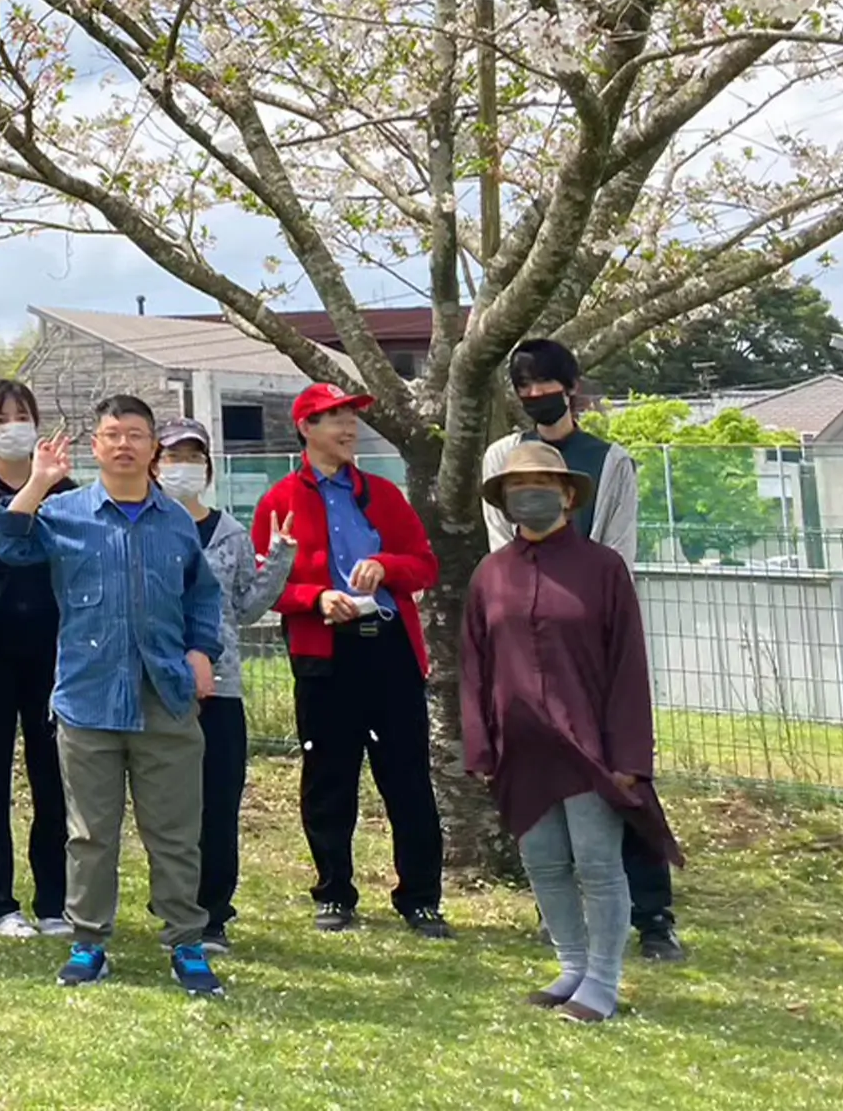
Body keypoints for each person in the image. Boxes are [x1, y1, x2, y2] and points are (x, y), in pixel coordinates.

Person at [0, 398, 228, 999]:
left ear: (153, 449)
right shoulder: (64, 512)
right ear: (94, 447)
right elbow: (4, 542)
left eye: (136, 436)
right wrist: (39, 482)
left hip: (165, 698)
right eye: (112, 435)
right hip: (88, 699)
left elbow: (203, 595)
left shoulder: (175, 520)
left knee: (174, 831)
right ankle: (89, 942)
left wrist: (202, 651)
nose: (124, 445)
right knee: (90, 834)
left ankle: (185, 942)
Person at [464, 441, 681, 1023]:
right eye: (515, 487)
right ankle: (572, 964)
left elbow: (629, 666)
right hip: (521, 749)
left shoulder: (603, 569)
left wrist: (630, 755)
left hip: (592, 747)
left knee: (597, 863)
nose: (526, 495)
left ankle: (604, 983)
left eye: (539, 485)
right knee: (544, 862)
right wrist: (482, 746)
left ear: (567, 496)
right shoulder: (490, 574)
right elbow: (475, 664)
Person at [486, 337, 682, 964]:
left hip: (592, 638)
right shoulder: (501, 456)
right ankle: (562, 915)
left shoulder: (609, 460)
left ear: (569, 386)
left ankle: (653, 916)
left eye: (544, 383)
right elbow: (502, 549)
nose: (534, 395)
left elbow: (617, 547)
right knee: (547, 778)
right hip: (528, 643)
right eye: (523, 386)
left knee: (620, 776)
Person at [252, 381, 451, 937]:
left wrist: (386, 565)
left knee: (408, 777)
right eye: (332, 417)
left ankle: (421, 898)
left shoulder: (384, 495)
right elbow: (265, 587)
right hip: (323, 652)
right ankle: (334, 893)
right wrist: (315, 598)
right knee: (329, 777)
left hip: (388, 650)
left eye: (350, 417)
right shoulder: (278, 502)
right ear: (305, 429)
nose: (347, 427)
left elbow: (425, 565)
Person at [156, 417, 294, 953]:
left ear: (208, 468)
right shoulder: (149, 527)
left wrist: (280, 556)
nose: (181, 467)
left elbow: (246, 606)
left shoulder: (231, 533)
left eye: (191, 457)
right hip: (162, 688)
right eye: (171, 457)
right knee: (168, 807)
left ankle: (213, 913)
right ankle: (172, 907)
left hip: (222, 688)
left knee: (218, 803)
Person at [0, 377, 74, 940]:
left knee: (56, 780)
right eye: (0, 417)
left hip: (55, 659)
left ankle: (55, 900)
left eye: (22, 414)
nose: (13, 425)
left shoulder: (65, 489)